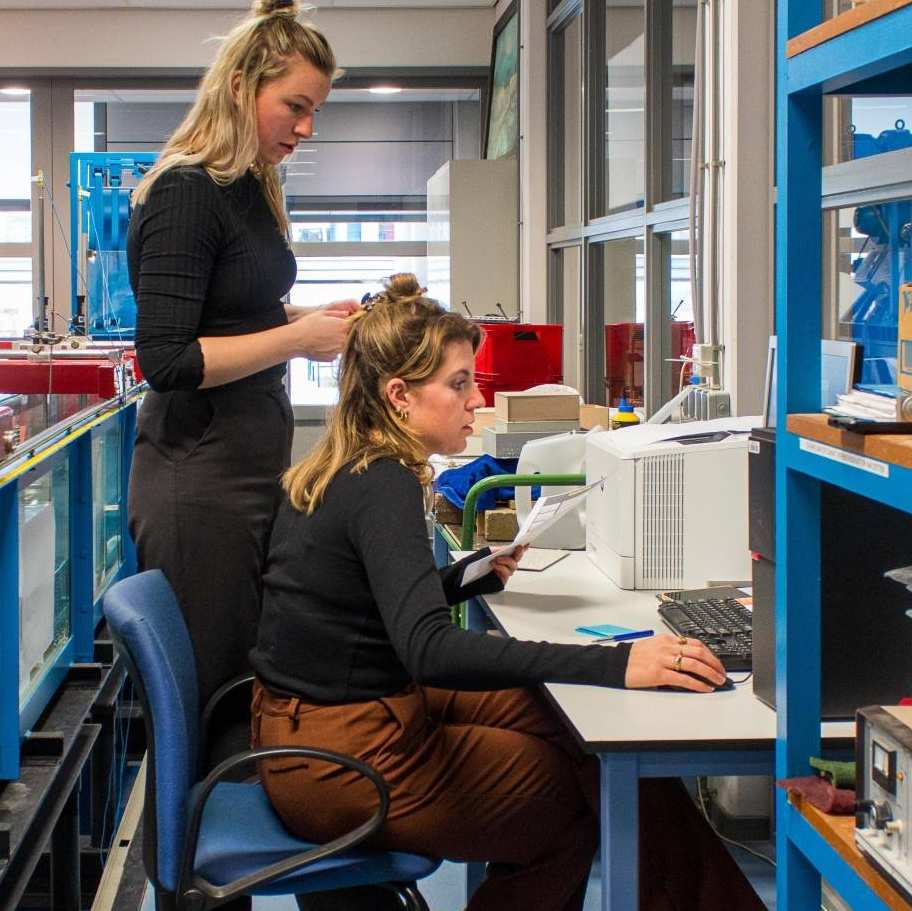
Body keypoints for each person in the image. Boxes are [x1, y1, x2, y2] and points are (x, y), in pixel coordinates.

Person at [250, 273, 768, 911]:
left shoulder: (341, 467)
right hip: (344, 760)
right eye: (459, 384)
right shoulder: (381, 484)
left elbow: (354, 607)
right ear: (398, 396)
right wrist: (620, 663)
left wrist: (462, 576)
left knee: (557, 720)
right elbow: (430, 650)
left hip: (310, 728)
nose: (476, 401)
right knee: (572, 802)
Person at [126, 0, 357, 761]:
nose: (305, 128)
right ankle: (201, 877)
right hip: (200, 485)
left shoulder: (246, 187)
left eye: (314, 110)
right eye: (295, 106)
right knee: (211, 710)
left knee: (243, 697)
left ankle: (232, 870)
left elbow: (231, 311)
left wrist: (300, 316)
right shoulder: (185, 191)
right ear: (239, 88)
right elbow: (165, 358)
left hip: (248, 473)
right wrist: (296, 337)